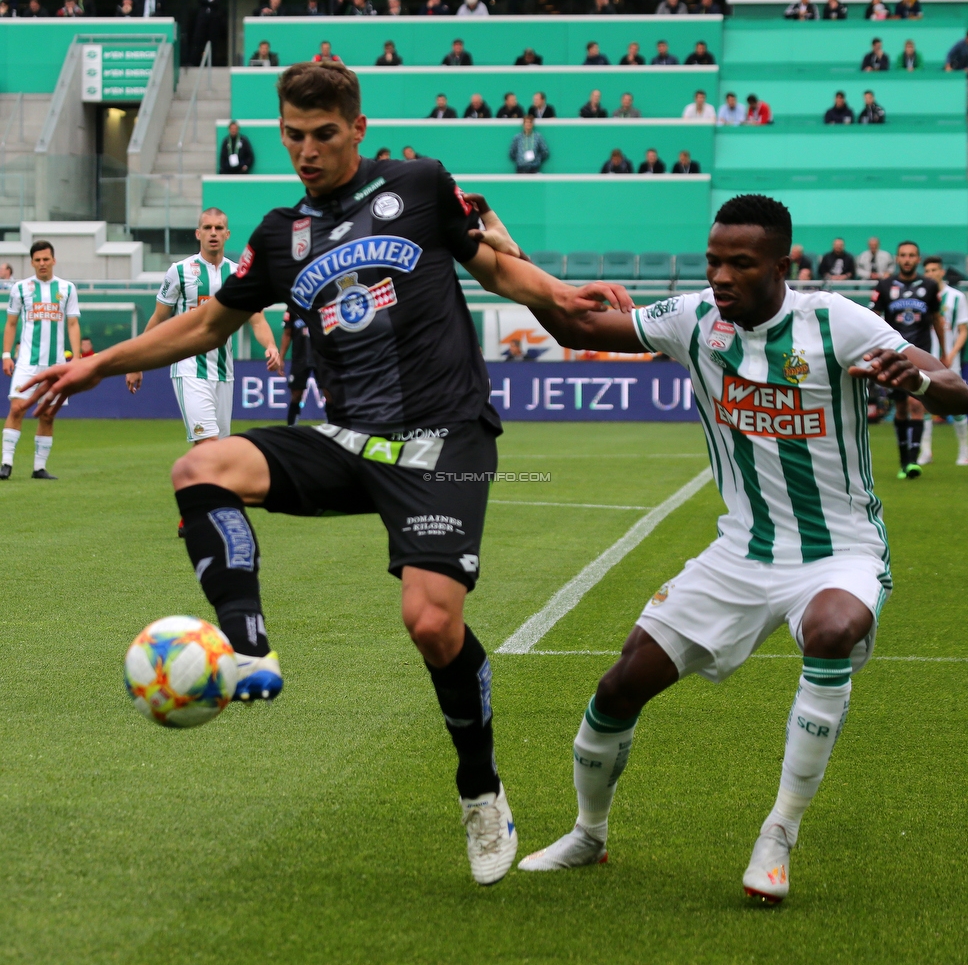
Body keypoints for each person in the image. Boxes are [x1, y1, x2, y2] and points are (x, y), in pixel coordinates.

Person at [25, 61, 626, 888]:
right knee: (202, 465)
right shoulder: (279, 235)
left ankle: (479, 787)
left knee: (431, 624)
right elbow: (206, 325)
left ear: (357, 128)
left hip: (443, 441)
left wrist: (564, 299)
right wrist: (98, 366)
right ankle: (245, 646)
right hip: (345, 437)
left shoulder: (418, 185)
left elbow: (492, 268)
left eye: (323, 135)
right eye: (293, 137)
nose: (306, 152)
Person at [507, 191, 968, 903]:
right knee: (619, 685)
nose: (721, 276)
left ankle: (778, 833)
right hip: (741, 552)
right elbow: (576, 320)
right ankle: (587, 835)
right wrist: (502, 257)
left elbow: (955, 389)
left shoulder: (834, 320)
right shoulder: (693, 318)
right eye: (713, 261)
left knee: (832, 630)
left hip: (838, 549)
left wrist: (917, 380)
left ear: (781, 264)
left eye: (740, 263)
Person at [124, 207, 281, 456]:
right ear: (198, 234)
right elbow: (159, 318)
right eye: (207, 228)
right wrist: (136, 362)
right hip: (189, 369)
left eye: (219, 228)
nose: (213, 233)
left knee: (221, 451)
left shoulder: (238, 275)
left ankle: (216, 493)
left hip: (223, 372)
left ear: (228, 234)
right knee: (208, 445)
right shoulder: (179, 271)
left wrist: (271, 346)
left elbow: (257, 319)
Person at [1, 241, 79, 481]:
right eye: (38, 260)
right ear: (32, 262)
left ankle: (39, 467)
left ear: (53, 260)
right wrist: (6, 355)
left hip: (56, 364)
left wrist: (76, 358)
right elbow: (11, 323)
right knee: (16, 408)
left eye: (46, 259)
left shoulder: (67, 288)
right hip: (26, 362)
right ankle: (6, 463)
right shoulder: (20, 288)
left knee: (47, 414)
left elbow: (73, 323)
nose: (42, 264)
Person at [870, 241, 944, 477]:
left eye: (912, 255)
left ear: (918, 259)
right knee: (901, 407)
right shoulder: (885, 285)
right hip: (893, 353)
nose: (908, 259)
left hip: (920, 352)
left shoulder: (930, 286)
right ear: (897, 258)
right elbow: (873, 317)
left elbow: (937, 320)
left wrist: (943, 351)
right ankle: (904, 461)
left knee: (916, 404)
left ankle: (913, 460)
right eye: (903, 255)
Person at [920, 255, 968, 466]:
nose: (931, 274)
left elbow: (963, 330)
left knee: (956, 404)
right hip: (925, 358)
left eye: (934, 270)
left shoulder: (956, 297)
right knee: (922, 404)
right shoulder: (921, 297)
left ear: (941, 272)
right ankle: (925, 451)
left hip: (950, 360)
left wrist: (951, 354)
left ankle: (964, 450)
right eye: (928, 271)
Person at [279, 309, 320, 426]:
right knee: (296, 395)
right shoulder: (292, 307)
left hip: (321, 357)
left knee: (329, 393)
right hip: (299, 357)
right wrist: (281, 358)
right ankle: (291, 427)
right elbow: (287, 334)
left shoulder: (323, 302)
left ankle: (333, 425)